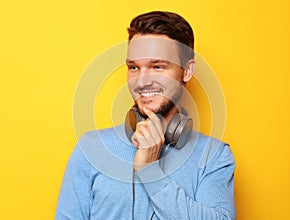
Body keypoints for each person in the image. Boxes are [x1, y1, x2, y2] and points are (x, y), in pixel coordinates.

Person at [56, 11, 235, 220]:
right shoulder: (91, 148)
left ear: (187, 71)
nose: (141, 82)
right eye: (133, 68)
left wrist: (150, 172)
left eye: (158, 66)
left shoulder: (214, 156)